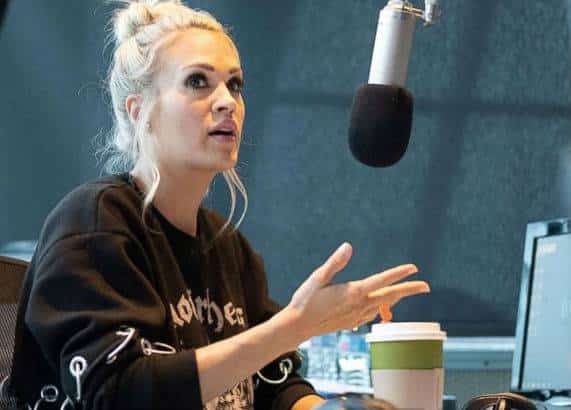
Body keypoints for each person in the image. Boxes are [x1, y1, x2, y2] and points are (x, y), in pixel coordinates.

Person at [7, 1, 431, 409]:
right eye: (198, 81)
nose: (228, 101)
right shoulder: (94, 224)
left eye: (235, 84)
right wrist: (294, 326)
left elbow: (274, 385)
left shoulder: (230, 250)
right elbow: (119, 393)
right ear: (139, 111)